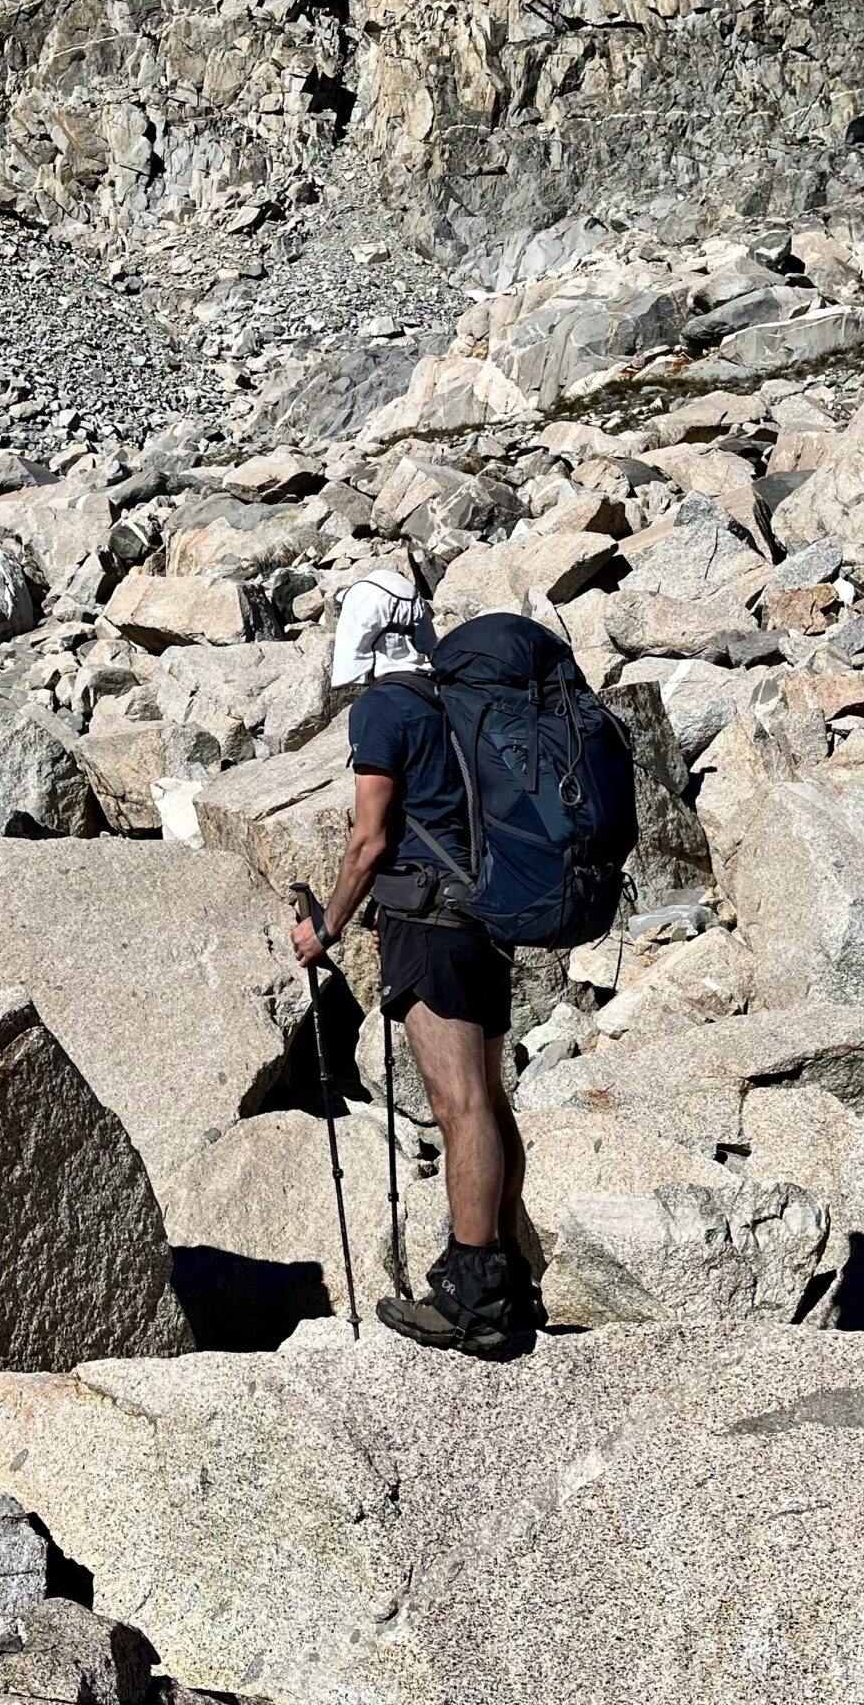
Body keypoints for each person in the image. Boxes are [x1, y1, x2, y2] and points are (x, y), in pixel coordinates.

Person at [290, 571, 531, 1355]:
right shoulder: (457, 700)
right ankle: (511, 1271)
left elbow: (370, 839)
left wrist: (327, 926)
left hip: (433, 927)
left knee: (458, 1104)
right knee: (488, 1099)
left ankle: (476, 1297)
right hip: (484, 919)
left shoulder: (383, 708)